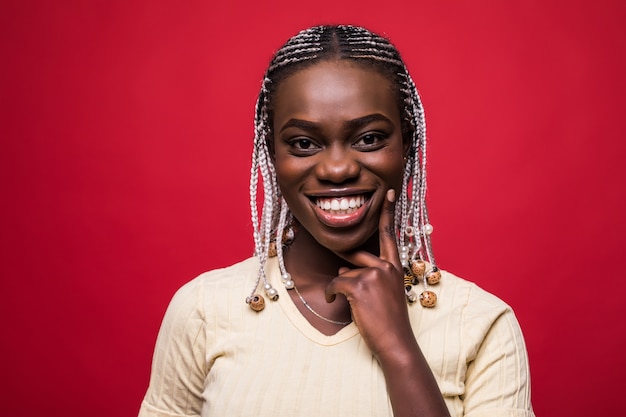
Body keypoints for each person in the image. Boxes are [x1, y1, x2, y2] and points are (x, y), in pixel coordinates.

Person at [138, 25, 535, 417]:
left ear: (407, 145)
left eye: (369, 138)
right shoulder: (204, 311)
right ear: (272, 155)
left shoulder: (481, 326)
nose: (337, 168)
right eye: (304, 143)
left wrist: (399, 349)